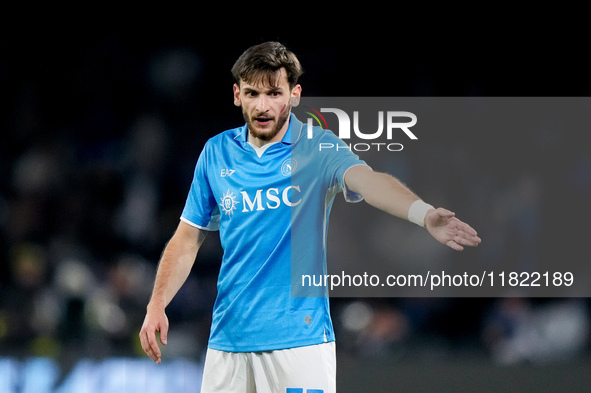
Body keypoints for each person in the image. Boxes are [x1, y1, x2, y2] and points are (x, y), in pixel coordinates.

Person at [139, 41, 481, 393]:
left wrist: (423, 214)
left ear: (295, 94)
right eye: (253, 93)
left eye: (274, 93)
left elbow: (369, 181)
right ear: (237, 94)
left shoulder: (318, 148)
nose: (263, 105)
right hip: (228, 343)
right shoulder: (216, 153)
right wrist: (157, 304)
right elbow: (187, 238)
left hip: (299, 343)